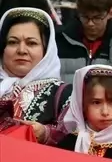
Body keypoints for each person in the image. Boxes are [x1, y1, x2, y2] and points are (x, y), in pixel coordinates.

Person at [0, 7, 70, 143]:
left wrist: (47, 134)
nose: (21, 50)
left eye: (31, 43)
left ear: (46, 50)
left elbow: (79, 139)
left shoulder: (63, 94)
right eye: (13, 42)